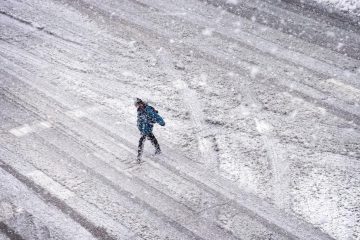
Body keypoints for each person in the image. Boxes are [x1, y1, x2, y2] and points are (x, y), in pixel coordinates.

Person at [135, 98, 165, 162]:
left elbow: (156, 116)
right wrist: (139, 127)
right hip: (144, 129)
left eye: (140, 104)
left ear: (143, 103)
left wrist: (161, 122)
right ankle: (158, 149)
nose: (139, 106)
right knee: (152, 138)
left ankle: (139, 157)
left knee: (141, 142)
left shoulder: (148, 110)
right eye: (137, 105)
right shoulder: (140, 111)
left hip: (147, 128)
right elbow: (139, 120)